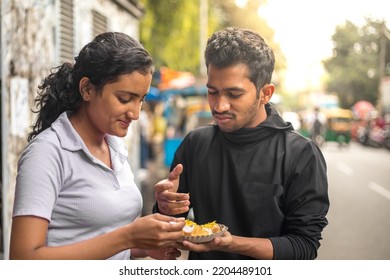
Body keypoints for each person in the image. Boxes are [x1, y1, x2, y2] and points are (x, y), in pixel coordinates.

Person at [154, 27, 329, 260]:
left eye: (234, 94)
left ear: (265, 93)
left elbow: (304, 245)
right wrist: (166, 207)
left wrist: (232, 244)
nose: (219, 106)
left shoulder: (300, 155)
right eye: (212, 92)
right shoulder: (196, 144)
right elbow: (174, 226)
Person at [10, 32, 185, 260]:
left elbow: (97, 238)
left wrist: (142, 246)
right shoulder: (48, 153)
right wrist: (128, 237)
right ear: (87, 90)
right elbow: (23, 260)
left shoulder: (115, 146)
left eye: (140, 100)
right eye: (124, 99)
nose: (135, 113)